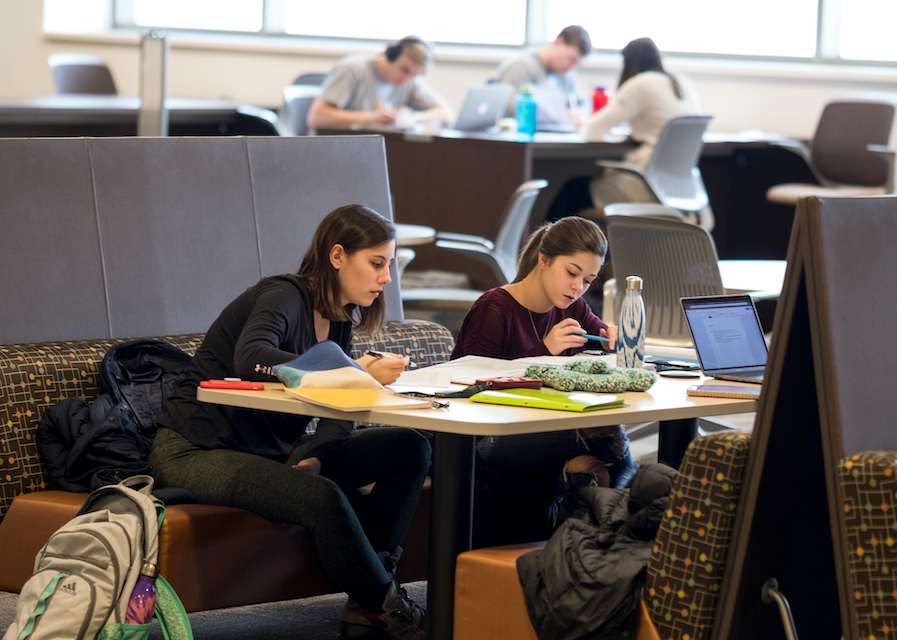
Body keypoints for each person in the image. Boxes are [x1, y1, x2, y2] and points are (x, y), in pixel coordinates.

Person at [149, 205, 431, 640]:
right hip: (195, 449)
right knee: (323, 499)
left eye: (388, 265)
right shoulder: (283, 294)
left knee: (409, 446)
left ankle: (366, 599)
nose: (386, 279)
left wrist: (315, 455)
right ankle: (388, 605)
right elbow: (251, 357)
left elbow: (340, 413)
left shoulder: (337, 323)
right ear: (337, 256)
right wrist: (351, 371)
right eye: (377, 263)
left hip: (270, 452)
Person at [451, 216, 636, 547]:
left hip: (540, 431)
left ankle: (587, 550)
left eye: (588, 279)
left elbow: (598, 337)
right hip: (486, 438)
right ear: (544, 259)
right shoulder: (494, 308)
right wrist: (543, 351)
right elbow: (471, 389)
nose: (578, 286)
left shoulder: (571, 307)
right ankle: (614, 547)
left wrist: (612, 339)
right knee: (604, 433)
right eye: (572, 273)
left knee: (606, 442)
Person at [581, 37, 703, 214]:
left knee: (572, 190)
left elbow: (591, 131)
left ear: (628, 63)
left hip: (646, 185)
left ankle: (546, 242)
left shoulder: (639, 84)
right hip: (681, 189)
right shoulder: (682, 82)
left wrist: (580, 121)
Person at [307, 36, 454, 131]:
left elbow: (446, 113)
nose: (406, 79)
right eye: (404, 70)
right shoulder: (352, 69)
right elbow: (317, 117)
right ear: (392, 54)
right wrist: (373, 118)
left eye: (414, 75)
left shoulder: (409, 81)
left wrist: (414, 118)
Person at [490, 25, 592, 129]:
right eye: (571, 59)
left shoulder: (566, 75)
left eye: (577, 64)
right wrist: (557, 115)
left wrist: (578, 115)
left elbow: (584, 103)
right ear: (559, 41)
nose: (572, 67)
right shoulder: (521, 66)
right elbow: (505, 107)